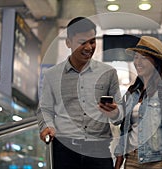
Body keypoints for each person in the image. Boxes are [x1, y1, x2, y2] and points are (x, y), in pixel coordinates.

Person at [36, 16, 123, 169]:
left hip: (99, 151)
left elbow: (120, 113)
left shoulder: (108, 73)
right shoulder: (52, 75)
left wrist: (115, 112)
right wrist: (47, 126)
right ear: (68, 42)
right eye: (82, 42)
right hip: (64, 150)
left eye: (92, 41)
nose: (89, 47)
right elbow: (45, 108)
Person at [114, 36, 162, 169]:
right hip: (132, 158)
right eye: (136, 57)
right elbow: (123, 127)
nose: (138, 62)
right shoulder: (132, 92)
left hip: (157, 160)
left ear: (156, 62)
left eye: (144, 58)